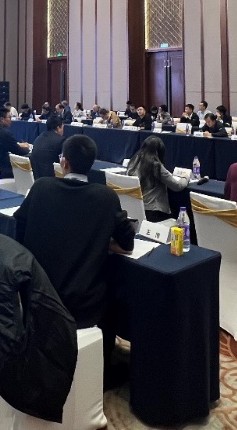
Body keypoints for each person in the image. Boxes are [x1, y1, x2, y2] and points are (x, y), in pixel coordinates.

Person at [13, 135, 134, 381]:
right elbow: (127, 244)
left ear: (64, 162)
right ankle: (103, 370)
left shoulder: (41, 187)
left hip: (38, 295)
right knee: (118, 293)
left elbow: (20, 231)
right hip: (83, 304)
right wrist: (100, 239)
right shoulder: (106, 197)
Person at [126, 135, 189, 222]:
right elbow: (177, 186)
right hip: (153, 212)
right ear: (158, 152)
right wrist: (185, 177)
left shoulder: (133, 161)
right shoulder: (155, 165)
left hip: (135, 209)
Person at [0, 108, 32, 179]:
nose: (11, 120)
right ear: (2, 119)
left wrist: (18, 145)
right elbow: (19, 151)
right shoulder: (5, 133)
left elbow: (7, 145)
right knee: (27, 168)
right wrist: (28, 149)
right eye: (9, 117)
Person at [29, 116, 66, 180]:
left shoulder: (39, 137)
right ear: (58, 128)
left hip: (36, 177)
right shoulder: (60, 140)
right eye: (63, 127)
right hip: (51, 179)